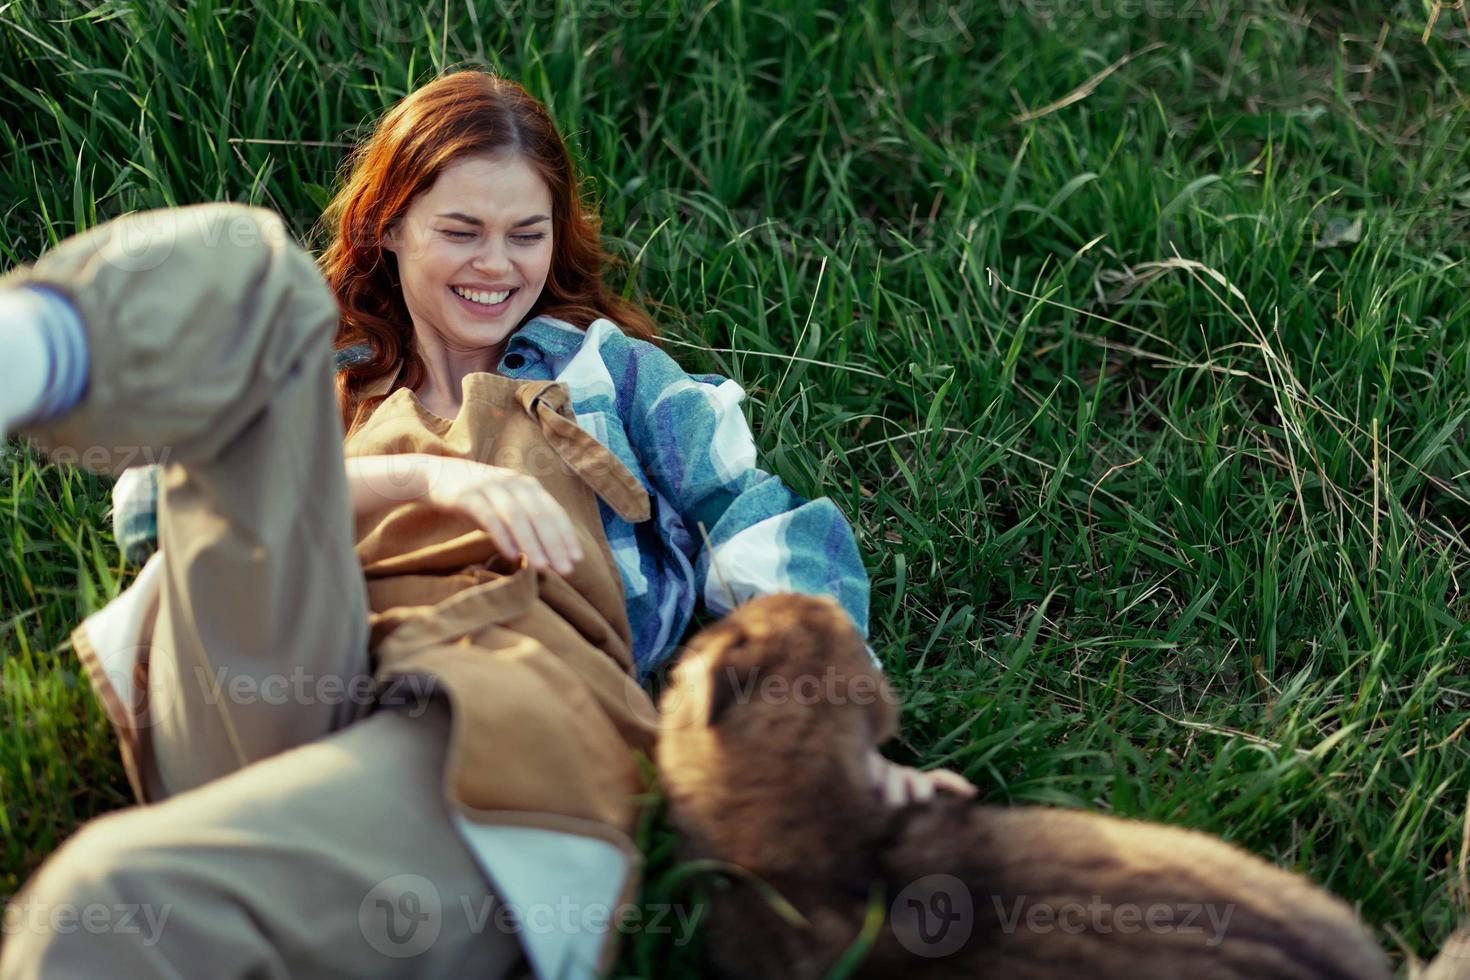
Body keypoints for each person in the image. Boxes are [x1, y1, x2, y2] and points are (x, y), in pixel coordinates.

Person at [0, 69, 973, 979]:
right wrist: (419, 477)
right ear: (390, 228)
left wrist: (846, 750)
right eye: (461, 229)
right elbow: (164, 523)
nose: (497, 265)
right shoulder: (323, 378)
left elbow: (773, 542)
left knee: (111, 893)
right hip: (274, 679)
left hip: (493, 713)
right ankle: (33, 343)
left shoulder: (607, 375)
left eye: (527, 233)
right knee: (266, 276)